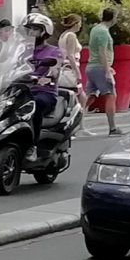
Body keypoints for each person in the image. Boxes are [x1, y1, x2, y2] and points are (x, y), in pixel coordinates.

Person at [21, 13, 63, 159]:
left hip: (44, 92)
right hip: (22, 91)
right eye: (28, 29)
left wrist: (49, 76)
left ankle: (32, 146)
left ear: (45, 32)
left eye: (35, 29)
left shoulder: (54, 51)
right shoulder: (22, 51)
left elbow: (55, 68)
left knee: (35, 105)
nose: (31, 32)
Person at [86, 6, 121, 136]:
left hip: (92, 67)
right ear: (113, 18)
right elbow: (102, 52)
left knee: (90, 97)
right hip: (100, 68)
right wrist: (107, 71)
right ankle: (113, 128)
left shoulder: (95, 29)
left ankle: (76, 123)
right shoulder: (103, 32)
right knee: (111, 95)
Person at [57, 14, 83, 94]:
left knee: (76, 93)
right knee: (79, 92)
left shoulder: (63, 35)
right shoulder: (71, 35)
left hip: (64, 65)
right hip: (71, 67)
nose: (80, 26)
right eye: (80, 23)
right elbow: (70, 55)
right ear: (75, 23)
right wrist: (77, 72)